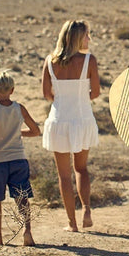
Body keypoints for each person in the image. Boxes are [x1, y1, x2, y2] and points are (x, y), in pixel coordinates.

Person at [42, 19, 101, 232]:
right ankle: (86, 209)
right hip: (82, 119)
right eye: (87, 35)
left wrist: (62, 95)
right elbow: (95, 93)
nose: (89, 39)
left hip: (59, 121)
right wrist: (80, 95)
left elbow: (46, 94)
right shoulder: (89, 61)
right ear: (77, 38)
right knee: (81, 169)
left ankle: (71, 223)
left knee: (64, 175)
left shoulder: (50, 61)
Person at [0, 69, 41, 246]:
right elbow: (35, 131)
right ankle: (27, 230)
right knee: (22, 197)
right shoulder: (19, 108)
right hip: (18, 159)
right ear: (12, 90)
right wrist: (16, 133)